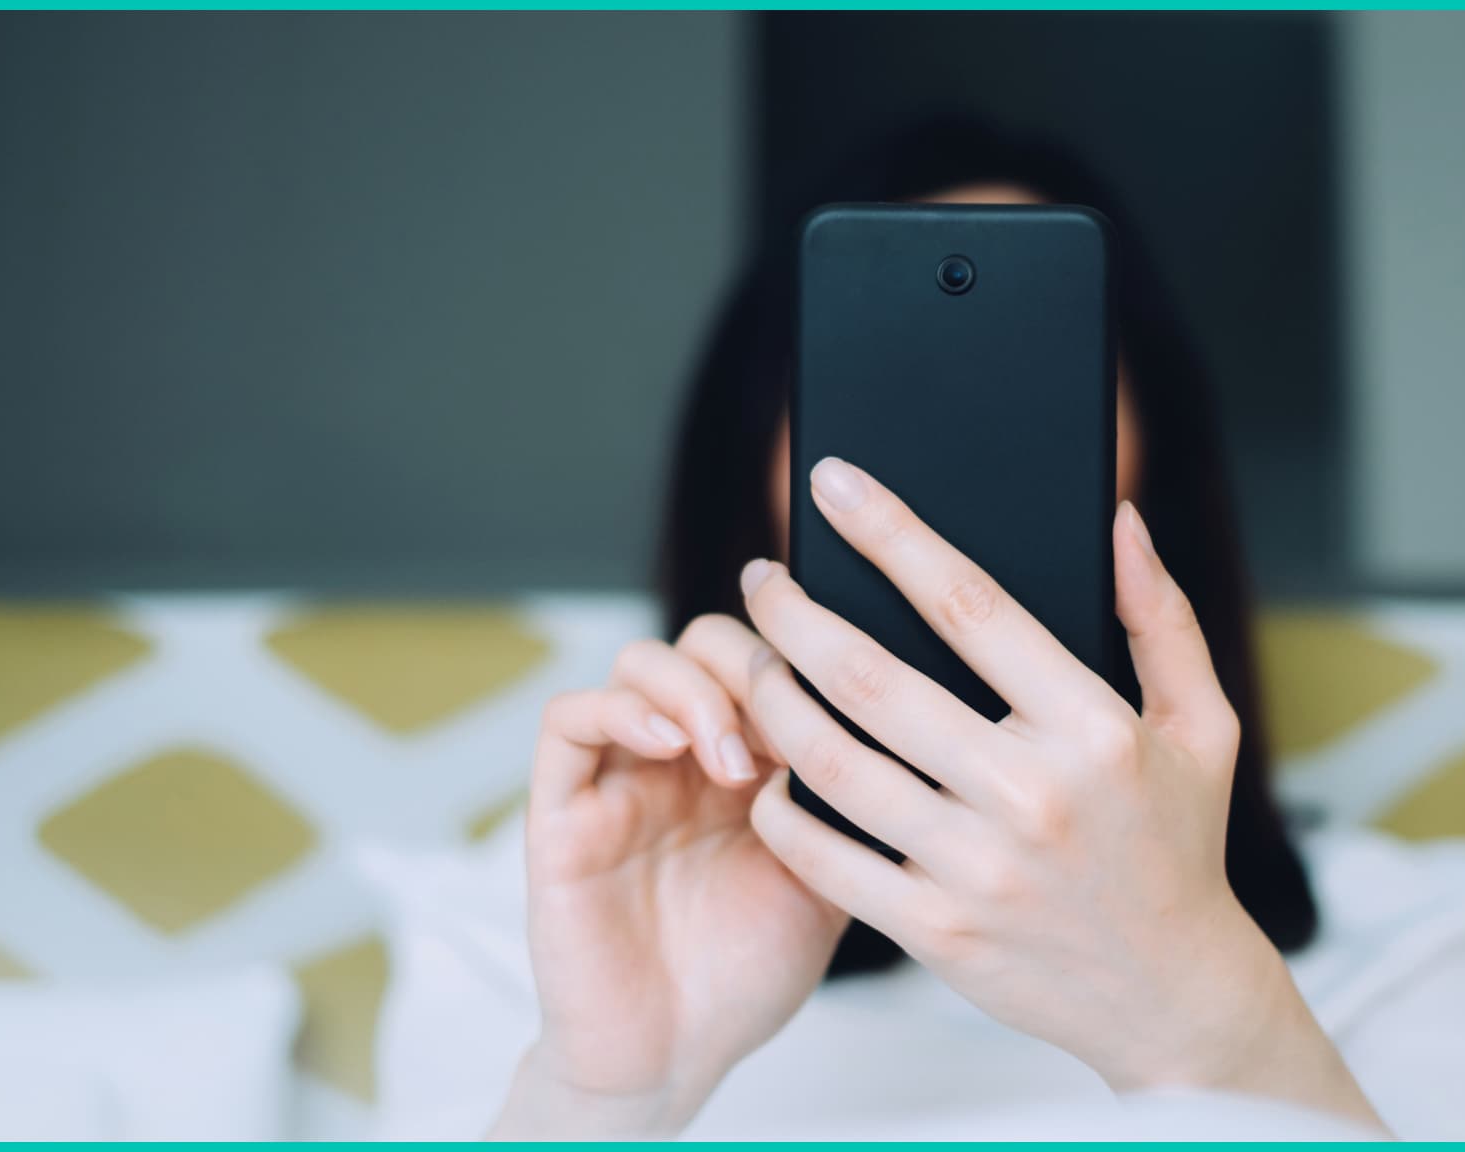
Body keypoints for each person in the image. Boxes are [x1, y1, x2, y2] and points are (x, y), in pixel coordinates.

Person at [490, 121, 1384, 1139]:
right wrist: (613, 1094)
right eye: (883, 382)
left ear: (1152, 459)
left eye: (1034, 373)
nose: (952, 473)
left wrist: (1208, 1017)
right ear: (757, 463)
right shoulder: (552, 915)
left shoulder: (1392, 933)